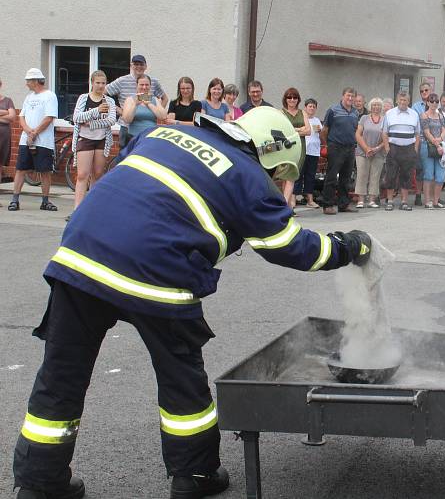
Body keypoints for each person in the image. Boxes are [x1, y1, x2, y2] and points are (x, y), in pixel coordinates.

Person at [10, 106, 373, 499]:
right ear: (271, 152)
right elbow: (289, 246)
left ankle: (38, 483)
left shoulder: (160, 134)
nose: (272, 181)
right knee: (181, 379)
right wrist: (347, 246)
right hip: (157, 273)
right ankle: (195, 475)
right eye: (276, 172)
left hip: (79, 257)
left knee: (60, 375)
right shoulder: (247, 175)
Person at [8, 68, 59, 212]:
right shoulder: (29, 97)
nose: (26, 84)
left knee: (45, 171)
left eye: (28, 81)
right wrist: (27, 130)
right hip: (26, 140)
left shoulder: (49, 96)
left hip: (43, 141)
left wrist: (35, 132)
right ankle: (15, 200)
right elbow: (21, 116)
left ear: (36, 81)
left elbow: (49, 117)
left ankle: (45, 201)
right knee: (20, 169)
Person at [70, 70, 117, 214]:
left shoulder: (109, 101)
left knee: (97, 174)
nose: (100, 86)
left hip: (102, 140)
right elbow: (77, 117)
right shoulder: (84, 98)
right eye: (98, 83)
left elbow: (111, 120)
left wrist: (91, 124)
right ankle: (78, 209)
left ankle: (92, 208)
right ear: (92, 83)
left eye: (103, 83)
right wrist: (96, 111)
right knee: (83, 174)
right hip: (85, 139)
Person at [105, 55, 168, 148]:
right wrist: (119, 110)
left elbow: (165, 98)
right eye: (136, 64)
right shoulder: (122, 81)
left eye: (141, 64)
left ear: (146, 66)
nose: (138, 66)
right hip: (127, 128)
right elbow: (103, 94)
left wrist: (155, 111)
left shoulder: (153, 81)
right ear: (131, 66)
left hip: (149, 131)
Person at [319, 87, 359, 215]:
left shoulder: (355, 112)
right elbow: (324, 130)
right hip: (335, 147)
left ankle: (343, 204)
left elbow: (355, 130)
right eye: (348, 95)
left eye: (352, 96)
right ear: (343, 96)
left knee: (346, 178)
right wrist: (327, 145)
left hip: (350, 147)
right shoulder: (333, 110)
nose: (350, 98)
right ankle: (328, 205)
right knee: (331, 177)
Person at [383, 91, 420, 211]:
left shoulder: (414, 114)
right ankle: (390, 201)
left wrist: (415, 149)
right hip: (393, 148)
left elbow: (418, 134)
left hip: (409, 148)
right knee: (391, 175)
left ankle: (404, 202)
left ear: (409, 102)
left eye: (405, 100)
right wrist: (387, 148)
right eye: (401, 100)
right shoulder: (389, 113)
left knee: (407, 175)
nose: (403, 102)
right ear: (397, 101)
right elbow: (384, 132)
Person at [280, 87, 311, 212]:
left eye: (295, 97)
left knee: (291, 176)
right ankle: (287, 206)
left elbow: (308, 131)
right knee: (285, 177)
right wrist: (299, 129)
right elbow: (283, 131)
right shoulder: (281, 112)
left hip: (300, 147)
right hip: (286, 147)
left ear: (298, 99)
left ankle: (284, 206)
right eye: (289, 97)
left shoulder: (302, 112)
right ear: (285, 99)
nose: (292, 100)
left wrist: (294, 130)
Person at [354, 97, 388, 208]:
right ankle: (360, 200)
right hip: (363, 151)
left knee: (375, 175)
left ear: (381, 107)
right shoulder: (364, 118)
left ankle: (372, 200)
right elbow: (358, 134)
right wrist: (367, 148)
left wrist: (377, 148)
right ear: (370, 106)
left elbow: (387, 137)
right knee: (362, 175)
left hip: (378, 152)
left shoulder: (385, 120)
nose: (376, 107)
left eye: (378, 105)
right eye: (374, 105)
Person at [419, 92, 445, 209]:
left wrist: (440, 140)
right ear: (427, 102)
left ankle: (436, 201)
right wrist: (436, 143)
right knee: (428, 175)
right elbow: (426, 132)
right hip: (427, 146)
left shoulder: (440, 115)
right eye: (432, 101)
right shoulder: (424, 116)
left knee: (441, 176)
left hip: (440, 145)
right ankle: (427, 201)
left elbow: (444, 130)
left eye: (436, 101)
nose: (434, 103)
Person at [120, 75, 168, 140]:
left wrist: (149, 104)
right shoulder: (130, 99)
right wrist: (135, 105)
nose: (144, 87)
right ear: (137, 86)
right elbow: (127, 120)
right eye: (141, 85)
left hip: (151, 137)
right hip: (134, 137)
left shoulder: (154, 99)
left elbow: (163, 116)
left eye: (147, 85)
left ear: (150, 86)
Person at [294, 98, 322, 208]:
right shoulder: (301, 118)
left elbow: (321, 132)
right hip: (302, 150)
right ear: (305, 107)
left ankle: (309, 200)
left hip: (314, 152)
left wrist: (320, 130)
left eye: (314, 107)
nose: (312, 108)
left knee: (310, 176)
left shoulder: (317, 120)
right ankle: (294, 198)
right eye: (310, 106)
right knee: (299, 175)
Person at [0, 77, 17, 191]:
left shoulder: (7, 100)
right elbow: (8, 115)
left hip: (3, 138)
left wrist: (7, 113)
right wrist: (4, 112)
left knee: (0, 166)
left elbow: (12, 117)